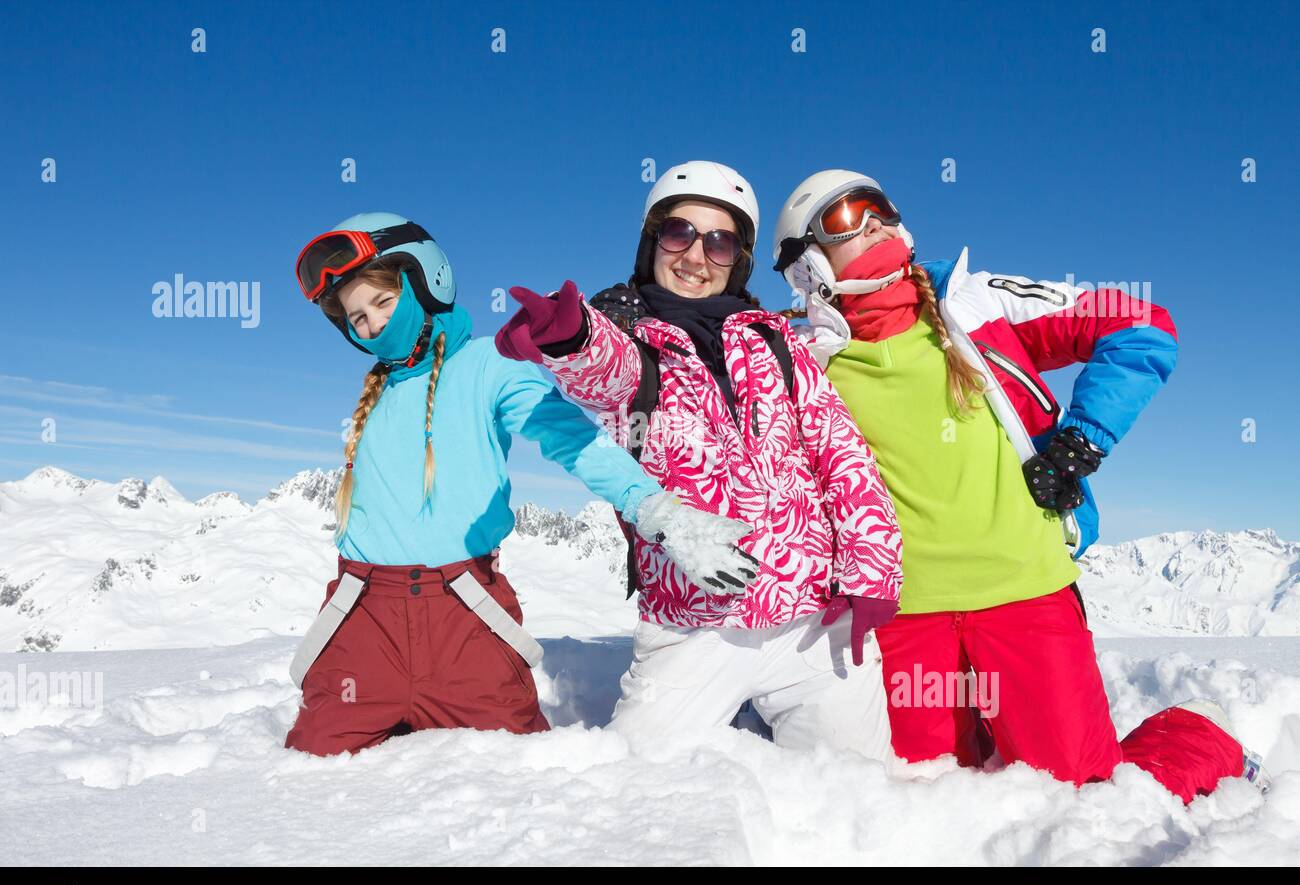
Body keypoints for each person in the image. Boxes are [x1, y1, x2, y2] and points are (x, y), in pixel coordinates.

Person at [771, 170, 1269, 801]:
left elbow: (1142, 324)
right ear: (807, 260)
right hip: (899, 617)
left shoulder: (975, 306)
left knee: (1086, 798)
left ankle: (1200, 733)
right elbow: (694, 400)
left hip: (1027, 593)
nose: (870, 222)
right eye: (842, 218)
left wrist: (1081, 441)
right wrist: (630, 315)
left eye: (877, 207)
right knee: (925, 799)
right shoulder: (787, 358)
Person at [284, 212, 757, 756]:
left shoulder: (490, 365)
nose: (371, 326)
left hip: (462, 617)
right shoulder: (379, 392)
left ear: (425, 281)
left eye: (383, 303)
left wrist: (656, 509)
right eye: (357, 318)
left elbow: (574, 441)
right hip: (361, 619)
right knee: (312, 778)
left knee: (513, 777)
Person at [494, 162, 903, 757]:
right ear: (652, 241)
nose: (696, 255)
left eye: (720, 241)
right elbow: (605, 370)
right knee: (644, 788)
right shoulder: (633, 337)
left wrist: (872, 572)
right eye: (679, 233)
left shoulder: (779, 344)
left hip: (812, 620)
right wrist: (569, 337)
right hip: (694, 624)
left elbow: (842, 457)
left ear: (737, 257)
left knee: (854, 788)